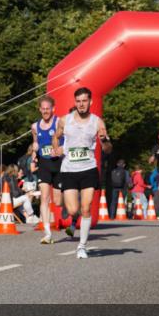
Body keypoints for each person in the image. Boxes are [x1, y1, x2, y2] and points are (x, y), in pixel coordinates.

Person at [51, 87, 112, 258]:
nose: (81, 104)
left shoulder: (97, 122)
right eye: (78, 101)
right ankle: (73, 219)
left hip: (89, 169)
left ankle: (82, 246)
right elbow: (56, 136)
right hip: (69, 169)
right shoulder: (64, 120)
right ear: (75, 102)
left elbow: (107, 150)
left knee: (86, 208)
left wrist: (104, 140)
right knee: (72, 209)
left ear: (90, 102)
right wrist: (56, 149)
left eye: (84, 101)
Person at [31, 96, 64, 244]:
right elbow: (35, 144)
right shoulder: (34, 126)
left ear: (53, 109)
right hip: (44, 165)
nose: (45, 111)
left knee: (57, 201)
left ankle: (67, 205)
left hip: (58, 165)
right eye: (43, 109)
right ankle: (47, 232)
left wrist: (59, 150)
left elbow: (69, 140)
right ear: (40, 109)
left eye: (48, 109)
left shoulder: (59, 122)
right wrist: (33, 154)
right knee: (44, 198)